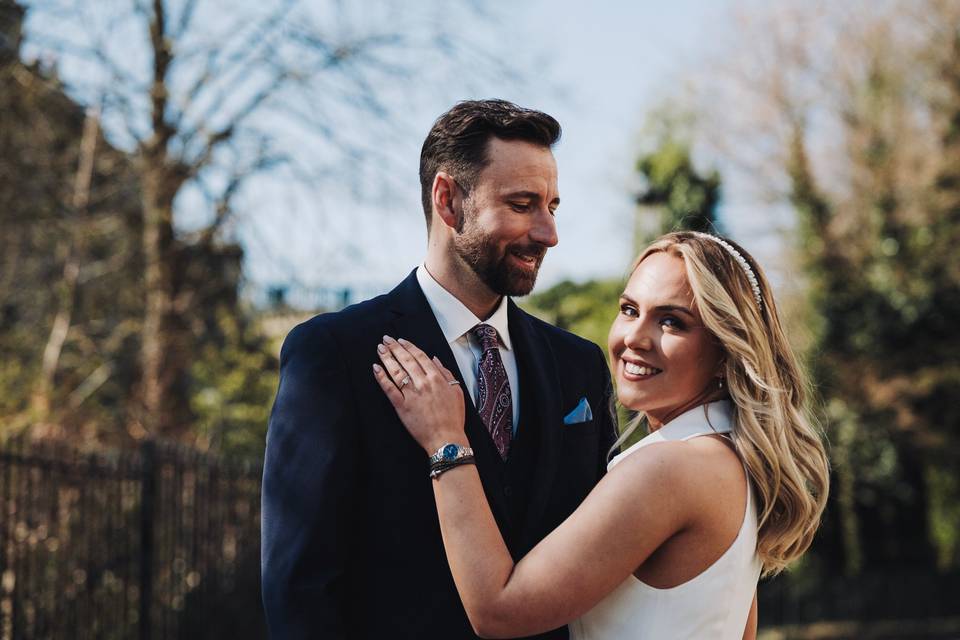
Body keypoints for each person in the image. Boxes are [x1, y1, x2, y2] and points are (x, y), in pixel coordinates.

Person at [260, 99, 618, 639]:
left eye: (552, 206)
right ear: (448, 201)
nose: (548, 233)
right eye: (522, 204)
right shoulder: (334, 353)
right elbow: (300, 588)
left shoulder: (579, 366)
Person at [374, 230, 831, 639]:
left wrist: (445, 440)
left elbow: (499, 610)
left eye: (671, 321)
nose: (635, 336)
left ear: (727, 350)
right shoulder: (734, 460)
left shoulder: (671, 467)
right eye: (630, 309)